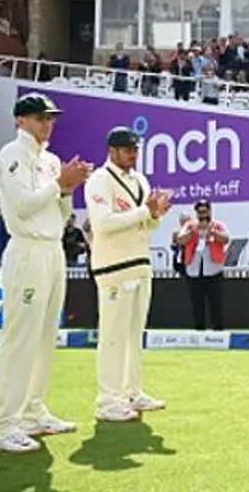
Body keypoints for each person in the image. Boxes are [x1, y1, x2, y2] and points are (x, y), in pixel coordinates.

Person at [0, 93, 90, 453]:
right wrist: (58, 183)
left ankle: (33, 411)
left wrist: (67, 188)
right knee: (20, 338)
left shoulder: (50, 160)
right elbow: (22, 205)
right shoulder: (11, 154)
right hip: (27, 249)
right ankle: (5, 425)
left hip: (52, 250)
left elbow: (60, 214)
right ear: (20, 121)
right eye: (38, 118)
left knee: (46, 336)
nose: (47, 124)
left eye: (50, 119)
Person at [84, 126, 171, 422]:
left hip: (140, 262)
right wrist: (145, 212)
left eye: (135, 149)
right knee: (112, 336)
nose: (133, 154)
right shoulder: (99, 179)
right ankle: (108, 400)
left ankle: (132, 392)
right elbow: (104, 223)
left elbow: (147, 226)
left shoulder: (139, 180)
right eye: (127, 149)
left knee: (134, 335)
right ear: (112, 150)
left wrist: (157, 214)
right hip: (113, 267)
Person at [176, 199, 230, 330]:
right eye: (199, 212)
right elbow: (180, 239)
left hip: (213, 270)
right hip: (194, 270)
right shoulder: (190, 225)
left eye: (205, 212)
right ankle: (199, 330)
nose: (202, 215)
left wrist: (212, 232)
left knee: (216, 302)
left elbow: (226, 239)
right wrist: (193, 231)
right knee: (196, 303)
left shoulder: (217, 225)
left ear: (210, 211)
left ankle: (218, 330)